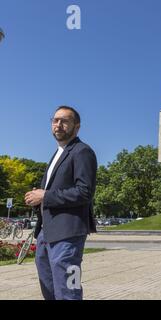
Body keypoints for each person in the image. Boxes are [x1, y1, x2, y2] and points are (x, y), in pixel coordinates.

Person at [24, 106, 97, 300]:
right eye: (55, 120)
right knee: (49, 289)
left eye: (64, 121)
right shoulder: (57, 153)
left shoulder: (82, 151)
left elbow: (84, 192)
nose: (58, 125)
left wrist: (45, 196)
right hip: (46, 232)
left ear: (77, 127)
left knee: (67, 290)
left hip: (68, 235)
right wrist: (36, 199)